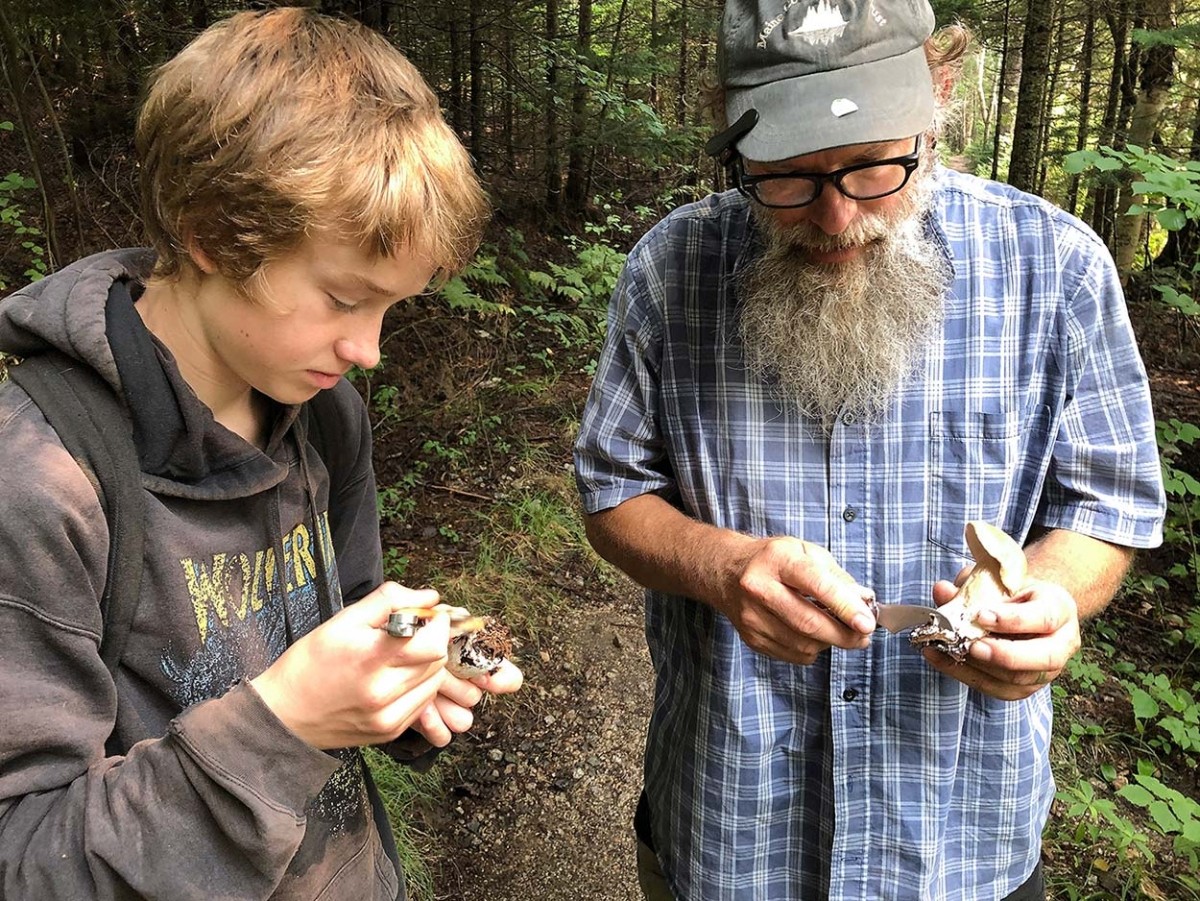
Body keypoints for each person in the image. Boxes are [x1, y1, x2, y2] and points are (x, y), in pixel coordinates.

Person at [573, 2, 1166, 899]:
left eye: (873, 166)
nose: (837, 215)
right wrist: (720, 565)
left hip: (960, 842)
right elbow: (613, 491)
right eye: (787, 177)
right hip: (732, 828)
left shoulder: (1058, 267)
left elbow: (1107, 508)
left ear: (940, 91)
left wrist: (1045, 603)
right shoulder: (669, 271)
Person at [0, 8, 521, 900]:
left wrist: (398, 685)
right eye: (343, 298)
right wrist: (284, 724)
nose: (371, 350)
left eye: (391, 308)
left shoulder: (322, 417)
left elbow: (343, 614)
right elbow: (25, 858)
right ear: (212, 232)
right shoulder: (41, 482)